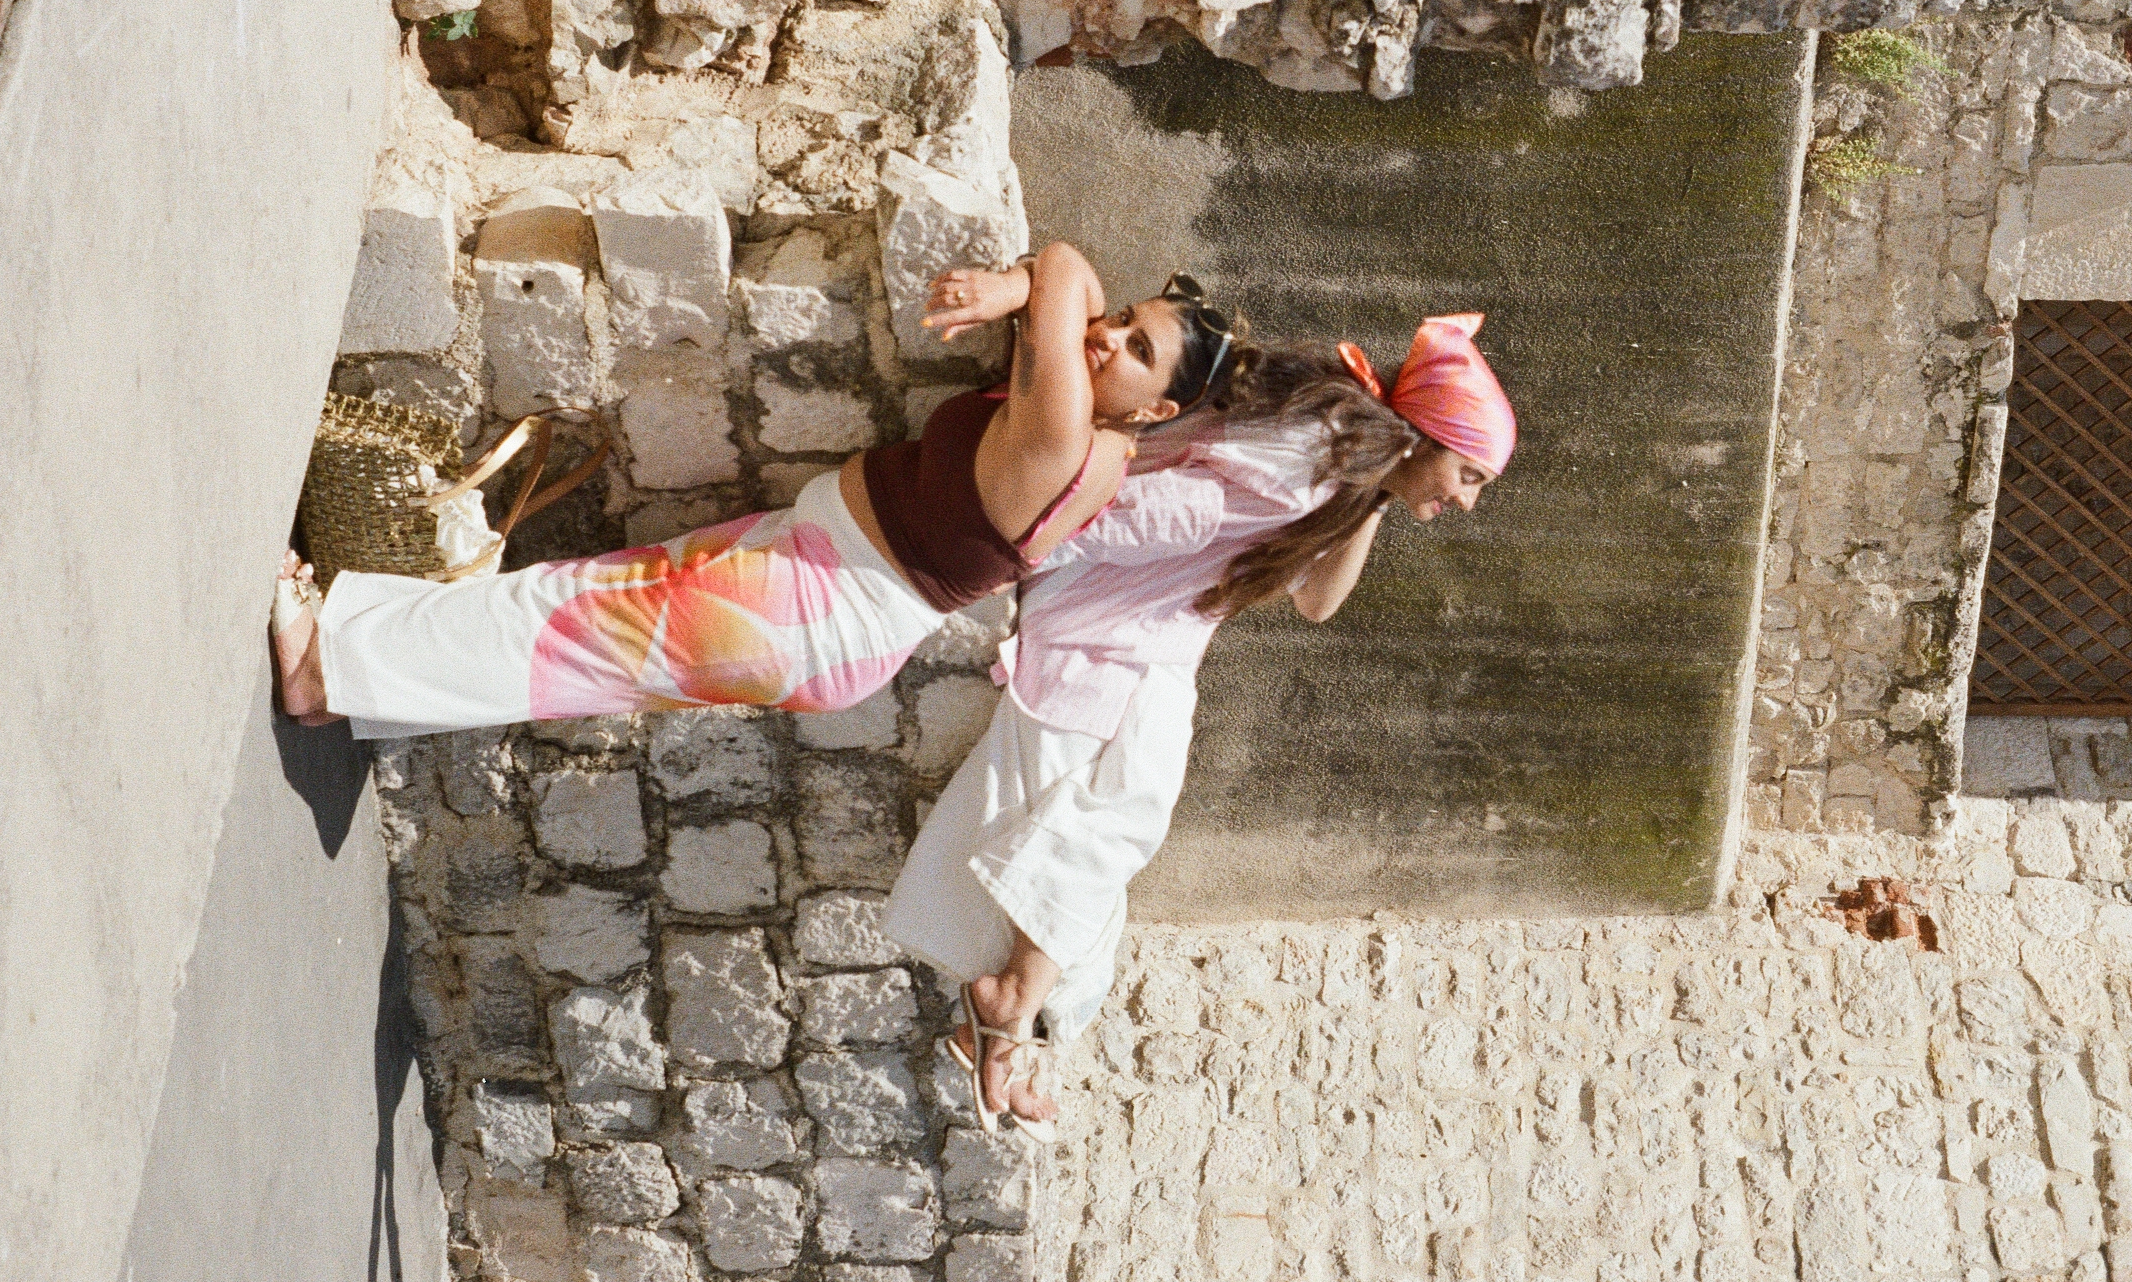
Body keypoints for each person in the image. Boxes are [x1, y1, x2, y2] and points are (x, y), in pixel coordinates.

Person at [886, 313, 1515, 1138]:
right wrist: (1022, 543)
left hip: (1155, 632)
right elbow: (1157, 511)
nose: (1464, 500)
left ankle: (1020, 1019)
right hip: (1105, 612)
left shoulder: (1344, 472)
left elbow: (1318, 602)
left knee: (1123, 821)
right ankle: (1013, 1003)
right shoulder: (1302, 466)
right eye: (1467, 472)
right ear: (1428, 435)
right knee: (1126, 805)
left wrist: (1386, 486)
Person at [269, 245, 1234, 740]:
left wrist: (1021, 284)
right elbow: (1070, 300)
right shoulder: (1100, 440)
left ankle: (324, 666)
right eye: (1121, 320)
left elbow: (1068, 266)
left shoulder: (1069, 430)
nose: (1106, 336)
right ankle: (352, 691)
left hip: (815, 604)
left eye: (1138, 350)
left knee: (560, 623)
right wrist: (1026, 293)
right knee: (574, 621)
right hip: (818, 589)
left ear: (1155, 414)